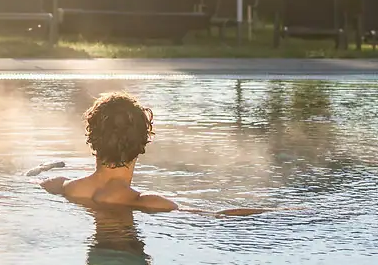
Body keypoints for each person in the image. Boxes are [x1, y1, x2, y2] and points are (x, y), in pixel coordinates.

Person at [40, 92, 267, 216]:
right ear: (143, 142)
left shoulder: (66, 186)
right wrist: (291, 211)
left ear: (92, 140)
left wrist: (45, 169)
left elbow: (39, 181)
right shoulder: (148, 203)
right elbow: (216, 215)